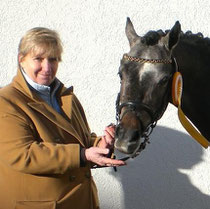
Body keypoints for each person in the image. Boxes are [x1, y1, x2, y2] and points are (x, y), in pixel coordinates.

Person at [0, 27, 126, 209]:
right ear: (22, 60)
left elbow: (78, 140)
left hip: (81, 201)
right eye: (39, 59)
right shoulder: (7, 101)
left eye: (53, 59)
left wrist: (100, 144)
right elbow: (23, 154)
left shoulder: (66, 97)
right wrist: (83, 155)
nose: (47, 67)